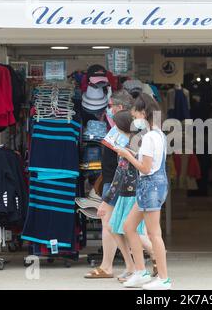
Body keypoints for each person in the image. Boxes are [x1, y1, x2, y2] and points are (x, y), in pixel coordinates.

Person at [116, 93, 171, 290]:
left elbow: (146, 168)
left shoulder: (149, 137)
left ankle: (163, 278)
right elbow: (151, 164)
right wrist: (133, 154)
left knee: (154, 234)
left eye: (136, 114)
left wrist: (126, 155)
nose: (134, 118)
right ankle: (140, 272)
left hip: (150, 186)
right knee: (129, 226)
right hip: (154, 185)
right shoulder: (158, 134)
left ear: (144, 113)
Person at [103, 110, 157, 282]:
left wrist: (106, 200)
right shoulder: (134, 143)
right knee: (117, 228)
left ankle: (155, 255)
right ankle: (133, 266)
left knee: (132, 231)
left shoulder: (128, 147)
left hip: (131, 194)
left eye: (116, 127)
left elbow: (120, 175)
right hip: (128, 194)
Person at [85, 89, 134, 279]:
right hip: (111, 181)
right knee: (115, 225)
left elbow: (121, 164)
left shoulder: (122, 130)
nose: (109, 109)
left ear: (120, 107)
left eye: (111, 106)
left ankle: (109, 266)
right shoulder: (118, 128)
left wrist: (109, 191)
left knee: (112, 225)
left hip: (115, 182)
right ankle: (126, 266)